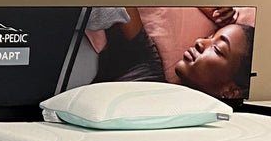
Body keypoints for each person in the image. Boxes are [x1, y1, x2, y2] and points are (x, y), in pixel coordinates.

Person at [92, 6, 253, 101]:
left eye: (217, 49)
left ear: (230, 92)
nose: (200, 42)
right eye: (209, 37)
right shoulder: (146, 65)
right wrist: (207, 6)